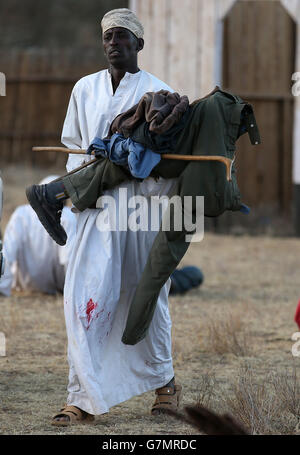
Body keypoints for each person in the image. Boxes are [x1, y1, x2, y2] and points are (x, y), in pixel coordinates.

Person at [27, 8, 182, 425]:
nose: (114, 43)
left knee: (145, 297)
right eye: (108, 37)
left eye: (123, 37)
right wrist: (77, 190)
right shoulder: (84, 88)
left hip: (139, 210)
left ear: (139, 45)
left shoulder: (160, 92)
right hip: (93, 213)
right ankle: (81, 397)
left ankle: (164, 384)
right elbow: (75, 150)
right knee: (85, 299)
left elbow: (170, 164)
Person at [0, 176, 76, 297]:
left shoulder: (21, 214)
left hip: (22, 285)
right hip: (59, 287)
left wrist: (3, 289)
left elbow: (8, 254)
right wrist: (73, 293)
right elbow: (69, 259)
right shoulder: (68, 216)